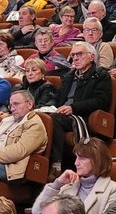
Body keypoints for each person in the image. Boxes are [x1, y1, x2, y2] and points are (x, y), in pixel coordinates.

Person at [0, 90, 48, 202]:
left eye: (16, 104)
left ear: (30, 104)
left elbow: (19, 151)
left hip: (11, 167)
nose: (12, 108)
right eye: (10, 105)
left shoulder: (34, 124)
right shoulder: (7, 120)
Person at [48, 42, 112, 170]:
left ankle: (56, 165)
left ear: (91, 57)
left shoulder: (100, 75)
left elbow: (101, 101)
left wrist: (73, 108)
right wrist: (48, 106)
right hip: (62, 112)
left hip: (81, 115)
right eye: (73, 55)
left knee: (54, 119)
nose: (75, 58)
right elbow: (58, 97)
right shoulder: (68, 76)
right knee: (41, 117)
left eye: (79, 54)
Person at [31, 137, 116, 214]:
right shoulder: (66, 187)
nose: (76, 163)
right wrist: (57, 184)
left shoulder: (113, 189)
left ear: (98, 161)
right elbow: (38, 212)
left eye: (82, 158)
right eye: (76, 157)